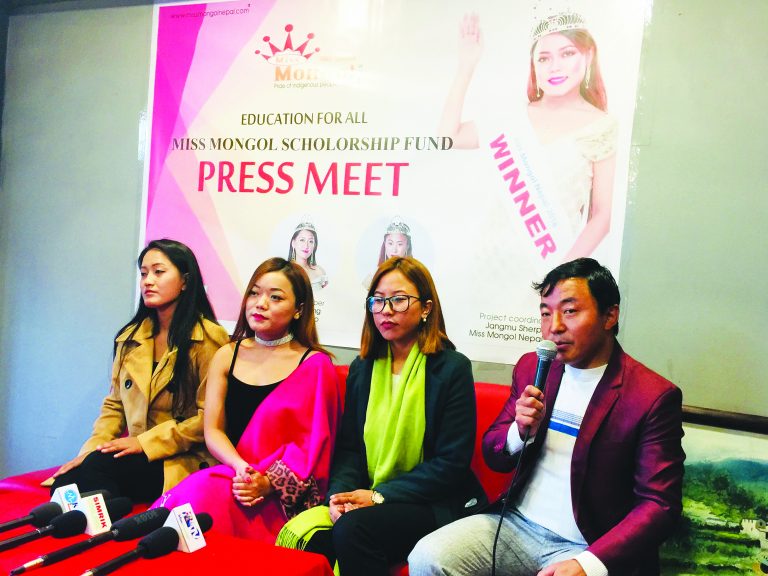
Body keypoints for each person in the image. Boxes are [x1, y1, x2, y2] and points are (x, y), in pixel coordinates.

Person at [408, 258, 685, 576]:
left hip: (588, 544)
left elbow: (659, 504)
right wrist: (519, 432)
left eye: (570, 311)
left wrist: (587, 564)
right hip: (516, 524)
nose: (554, 326)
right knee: (427, 557)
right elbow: (493, 453)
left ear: (610, 315)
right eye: (545, 313)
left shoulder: (651, 396)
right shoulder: (533, 367)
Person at [277, 256, 486, 575]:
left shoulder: (451, 368)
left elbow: (450, 464)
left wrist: (378, 496)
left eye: (399, 300)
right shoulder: (363, 368)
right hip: (369, 495)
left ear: (426, 308)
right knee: (308, 535)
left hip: (430, 502)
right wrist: (340, 497)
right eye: (378, 300)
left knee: (354, 530)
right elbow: (349, 450)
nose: (386, 310)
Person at [152, 257, 341, 542]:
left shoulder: (315, 365)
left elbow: (315, 451)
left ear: (299, 310)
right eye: (254, 293)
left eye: (275, 297)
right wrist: (241, 468)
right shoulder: (227, 354)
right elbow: (213, 430)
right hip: (233, 474)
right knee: (200, 491)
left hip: (279, 496)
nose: (260, 303)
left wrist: (267, 482)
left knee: (204, 495)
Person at [49, 239, 229, 502]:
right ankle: (112, 511)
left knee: (95, 473)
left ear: (185, 281)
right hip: (133, 455)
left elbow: (209, 420)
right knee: (65, 484)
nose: (148, 281)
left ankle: (112, 514)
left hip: (179, 457)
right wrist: (91, 451)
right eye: (144, 273)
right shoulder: (131, 337)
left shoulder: (209, 339)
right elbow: (114, 406)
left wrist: (144, 443)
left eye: (159, 272)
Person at [440, 12, 617, 260]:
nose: (555, 66)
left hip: (547, 265)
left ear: (588, 56)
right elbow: (449, 138)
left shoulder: (602, 127)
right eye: (544, 58)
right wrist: (466, 66)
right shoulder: (513, 115)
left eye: (567, 54)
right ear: (534, 65)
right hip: (487, 258)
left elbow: (602, 215)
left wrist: (561, 272)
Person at [288, 219, 328, 289]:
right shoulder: (284, 272)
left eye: (310, 241)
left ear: (314, 245)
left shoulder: (319, 271)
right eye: (302, 240)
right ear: (293, 243)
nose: (306, 245)